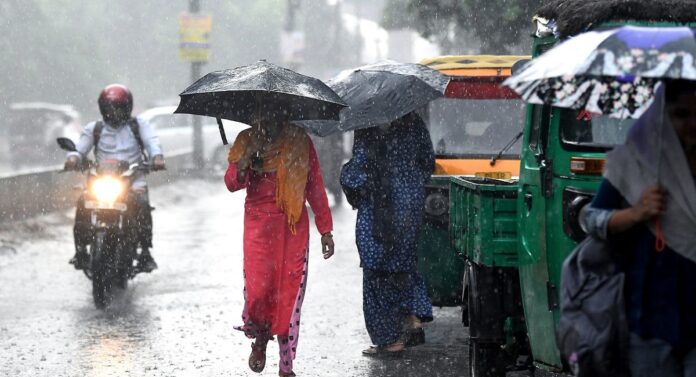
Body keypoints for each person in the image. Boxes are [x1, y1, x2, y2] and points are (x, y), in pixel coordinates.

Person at [580, 81, 696, 377]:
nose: (692, 124)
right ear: (662, 117)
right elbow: (591, 219)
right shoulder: (634, 164)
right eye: (682, 114)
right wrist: (637, 213)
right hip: (649, 321)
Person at [224, 109, 335, 377]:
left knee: (288, 293)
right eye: (263, 114)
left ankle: (286, 366)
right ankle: (261, 338)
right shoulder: (246, 140)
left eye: (274, 115)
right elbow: (231, 184)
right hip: (258, 228)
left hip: (292, 227)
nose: (268, 120)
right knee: (259, 292)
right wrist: (244, 165)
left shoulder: (300, 141)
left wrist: (326, 230)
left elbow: (314, 186)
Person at [340, 112, 435, 356]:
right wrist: (410, 183)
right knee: (404, 263)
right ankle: (412, 314)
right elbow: (427, 160)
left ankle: (391, 340)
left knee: (376, 271)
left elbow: (359, 172)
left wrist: (346, 175)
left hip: (379, 208)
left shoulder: (366, 123)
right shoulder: (413, 121)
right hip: (409, 203)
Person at [65, 84, 165, 273]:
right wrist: (73, 158)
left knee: (142, 204)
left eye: (118, 107)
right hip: (102, 180)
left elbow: (152, 143)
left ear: (127, 107)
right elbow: (80, 149)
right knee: (82, 203)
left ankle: (145, 252)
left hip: (133, 179)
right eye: (109, 107)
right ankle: (80, 251)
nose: (114, 112)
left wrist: (157, 157)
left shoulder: (139, 125)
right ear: (103, 108)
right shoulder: (94, 128)